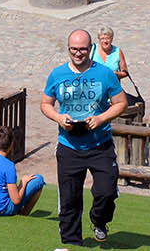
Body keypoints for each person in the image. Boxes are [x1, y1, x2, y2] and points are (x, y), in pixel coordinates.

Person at [41, 28, 127, 246]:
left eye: (82, 50)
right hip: (69, 146)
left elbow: (121, 103)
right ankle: (71, 243)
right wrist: (59, 118)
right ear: (68, 49)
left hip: (100, 145)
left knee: (106, 192)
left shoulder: (105, 73)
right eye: (73, 50)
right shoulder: (57, 74)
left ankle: (99, 221)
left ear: (91, 49)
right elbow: (45, 104)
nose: (78, 54)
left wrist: (101, 119)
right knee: (69, 200)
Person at [0, 125, 45, 217]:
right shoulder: (8, 166)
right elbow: (16, 200)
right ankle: (23, 214)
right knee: (39, 180)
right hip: (1, 209)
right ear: (11, 144)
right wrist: (23, 183)